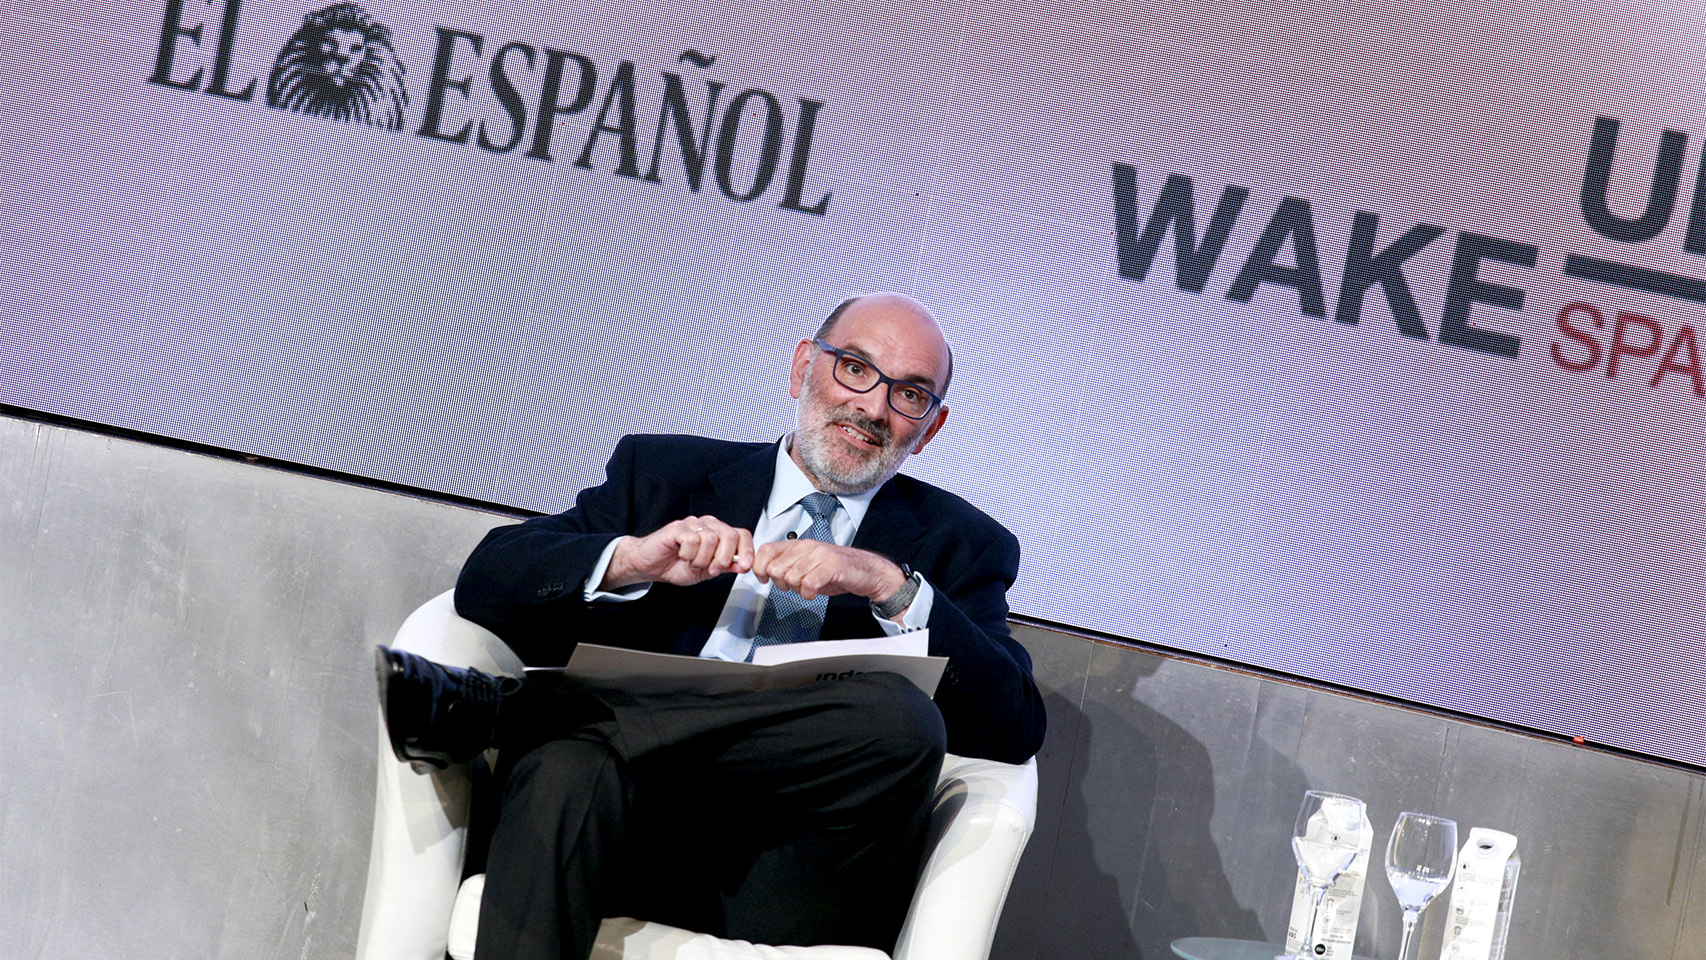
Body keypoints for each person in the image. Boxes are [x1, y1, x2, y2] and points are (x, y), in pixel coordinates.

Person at [376, 292, 1045, 960]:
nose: (873, 407)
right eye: (855, 369)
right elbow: (488, 580)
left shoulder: (962, 545)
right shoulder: (663, 474)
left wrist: (886, 584)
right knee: (568, 766)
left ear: (931, 426)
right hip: (615, 825)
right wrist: (631, 559)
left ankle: (518, 712)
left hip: (792, 873)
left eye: (910, 395)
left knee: (903, 717)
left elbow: (1014, 724)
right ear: (803, 367)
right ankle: (570, 725)